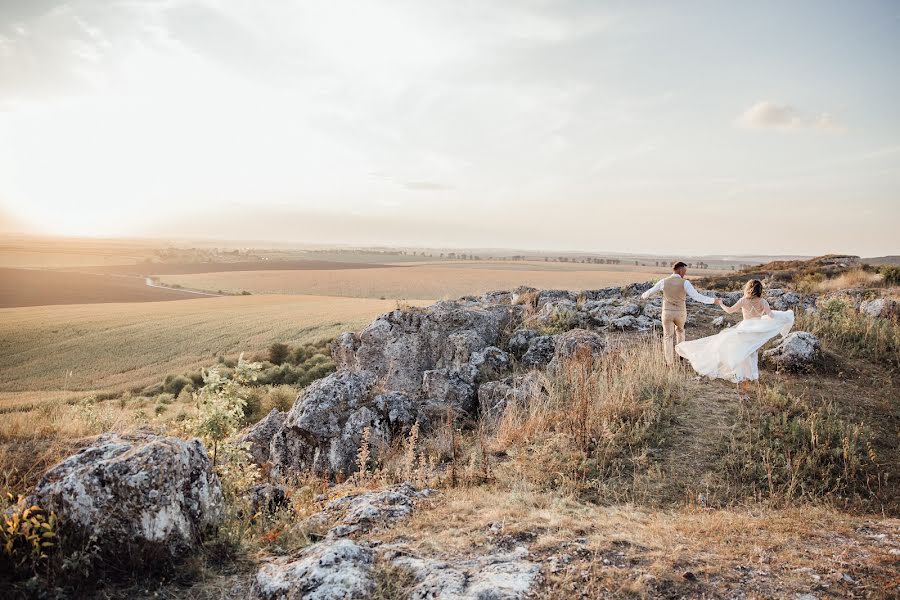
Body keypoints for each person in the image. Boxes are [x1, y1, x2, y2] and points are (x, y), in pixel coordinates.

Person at [676, 279, 794, 396]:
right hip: (756, 330)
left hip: (744, 329)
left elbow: (730, 311)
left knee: (740, 353)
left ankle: (740, 378)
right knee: (751, 353)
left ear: (748, 288)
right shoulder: (763, 302)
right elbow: (772, 315)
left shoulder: (743, 300)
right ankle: (751, 378)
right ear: (760, 290)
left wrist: (721, 303)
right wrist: (784, 316)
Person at [641, 261, 717, 366]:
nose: (685, 273)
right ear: (679, 269)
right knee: (680, 332)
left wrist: (643, 296)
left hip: (667, 313)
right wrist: (713, 300)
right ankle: (681, 357)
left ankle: (669, 363)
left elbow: (649, 292)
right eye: (684, 271)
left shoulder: (664, 281)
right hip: (680, 313)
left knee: (668, 337)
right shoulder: (685, 283)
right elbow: (697, 296)